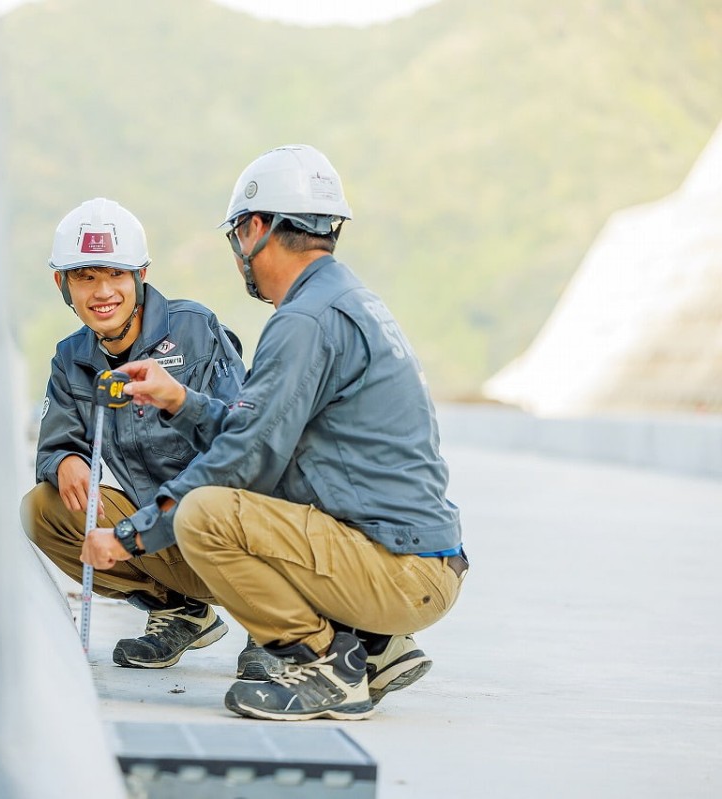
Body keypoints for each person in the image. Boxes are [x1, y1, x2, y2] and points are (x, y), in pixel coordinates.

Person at [83, 146, 467, 721]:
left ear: (256, 228)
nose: (240, 253)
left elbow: (247, 456)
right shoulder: (343, 299)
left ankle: (325, 665)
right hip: (419, 558)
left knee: (205, 514)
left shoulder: (305, 320)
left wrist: (132, 535)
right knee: (247, 493)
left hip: (401, 570)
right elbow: (259, 429)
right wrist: (181, 400)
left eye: (239, 236)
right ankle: (376, 648)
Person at [21, 197, 282, 677]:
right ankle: (181, 609)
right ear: (62, 284)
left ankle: (270, 625)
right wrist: (63, 462)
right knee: (44, 508)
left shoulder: (194, 330)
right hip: (159, 531)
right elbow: (56, 443)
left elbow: (246, 437)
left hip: (224, 524)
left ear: (141, 275)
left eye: (116, 275)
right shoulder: (70, 360)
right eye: (84, 277)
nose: (102, 292)